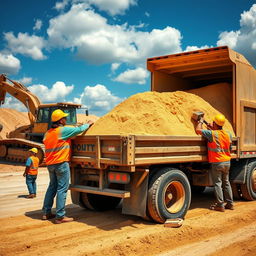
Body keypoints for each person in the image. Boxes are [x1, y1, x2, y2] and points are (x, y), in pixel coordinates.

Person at [42, 109, 94, 224]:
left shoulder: (48, 133)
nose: (66, 119)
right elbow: (79, 130)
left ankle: (46, 212)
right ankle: (60, 216)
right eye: (64, 118)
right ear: (61, 120)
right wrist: (88, 124)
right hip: (61, 163)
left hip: (50, 164)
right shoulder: (63, 131)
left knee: (52, 187)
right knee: (62, 189)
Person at [195, 113, 234, 212]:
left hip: (217, 162)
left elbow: (198, 130)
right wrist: (212, 129)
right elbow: (227, 145)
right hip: (227, 162)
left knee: (217, 184)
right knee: (226, 183)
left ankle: (220, 205)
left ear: (215, 124)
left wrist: (200, 121)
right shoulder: (228, 134)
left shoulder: (212, 134)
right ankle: (230, 204)